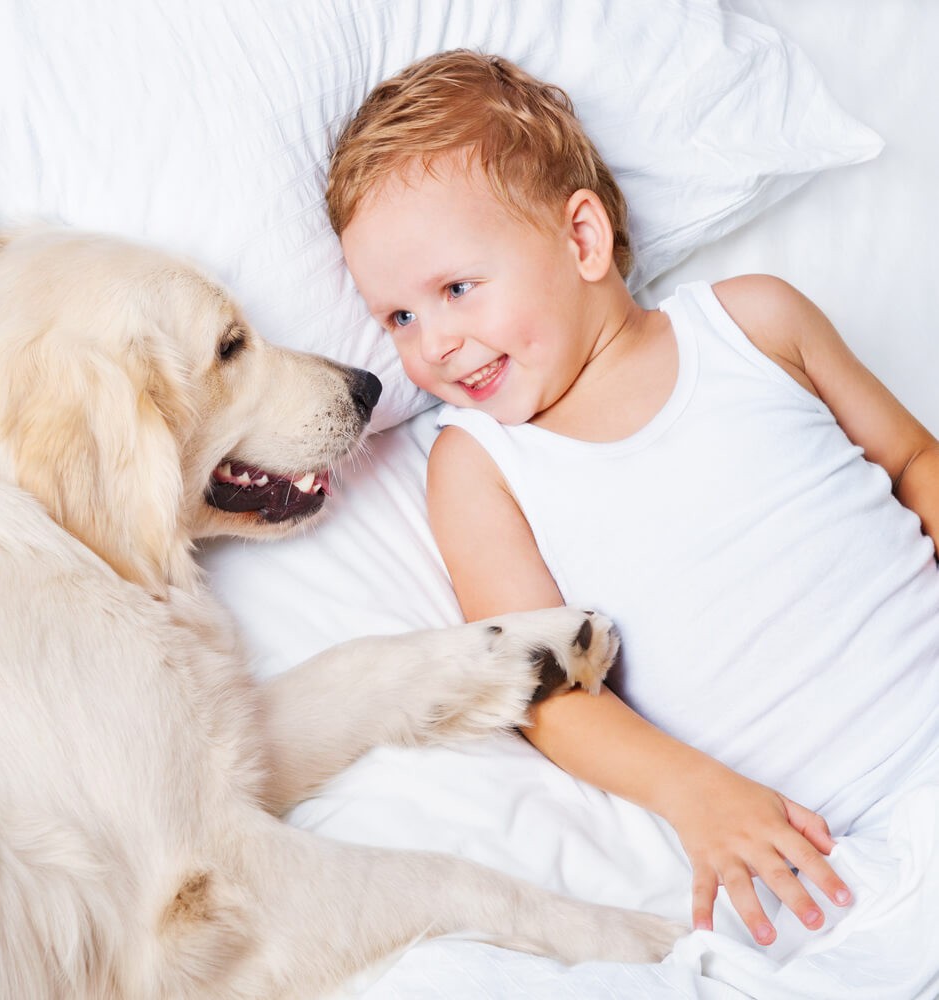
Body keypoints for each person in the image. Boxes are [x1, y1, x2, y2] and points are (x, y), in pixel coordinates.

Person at [326, 49, 939, 948]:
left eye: (456, 289)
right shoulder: (481, 466)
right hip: (836, 840)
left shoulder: (752, 323)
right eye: (400, 319)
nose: (435, 346)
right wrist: (696, 794)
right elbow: (546, 694)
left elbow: (914, 458)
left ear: (582, 239)